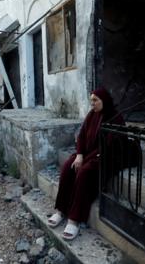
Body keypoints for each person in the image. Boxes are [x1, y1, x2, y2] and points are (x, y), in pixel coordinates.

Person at [47, 87, 124, 240]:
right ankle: (61, 210)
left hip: (105, 157)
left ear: (104, 100)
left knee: (84, 172)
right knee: (68, 166)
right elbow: (81, 136)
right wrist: (80, 155)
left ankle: (74, 219)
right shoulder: (91, 115)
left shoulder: (116, 118)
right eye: (91, 101)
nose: (92, 104)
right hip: (88, 154)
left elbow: (111, 146)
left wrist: (87, 158)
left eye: (95, 100)